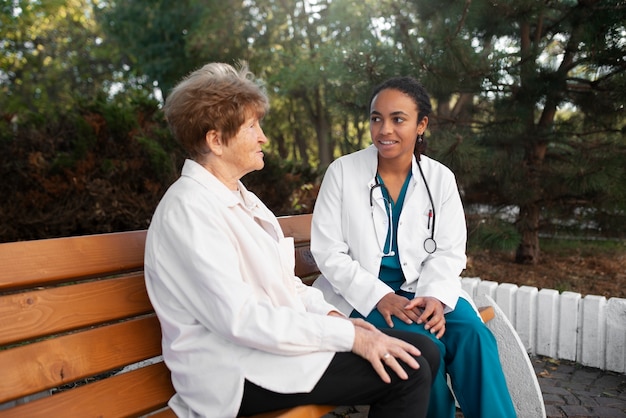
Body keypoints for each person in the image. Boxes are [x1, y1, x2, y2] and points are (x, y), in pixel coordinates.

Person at [143, 62, 440, 418]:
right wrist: (352, 338)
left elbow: (287, 285)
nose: (262, 136)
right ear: (216, 141)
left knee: (425, 350)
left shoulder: (239, 197)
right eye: (252, 126)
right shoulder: (188, 211)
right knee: (408, 369)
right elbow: (242, 319)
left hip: (269, 350)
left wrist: (338, 319)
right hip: (234, 371)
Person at [310, 76, 517, 418]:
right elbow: (329, 252)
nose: (384, 129)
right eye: (376, 118)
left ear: (422, 124)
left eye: (398, 119)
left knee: (475, 338)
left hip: (423, 291)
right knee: (424, 348)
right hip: (360, 295)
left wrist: (435, 296)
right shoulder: (342, 172)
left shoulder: (439, 178)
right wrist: (379, 296)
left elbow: (449, 251)